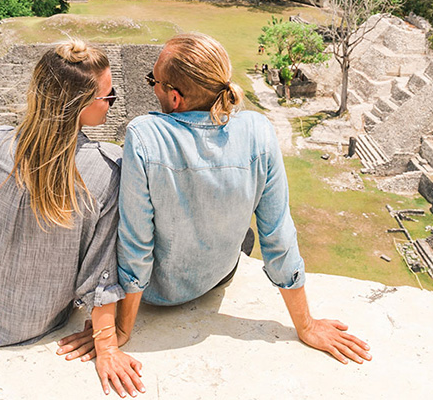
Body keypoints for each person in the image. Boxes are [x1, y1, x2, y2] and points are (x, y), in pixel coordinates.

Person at [59, 33, 371, 365]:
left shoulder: (145, 135)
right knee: (246, 234)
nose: (152, 88)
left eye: (155, 81)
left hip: (157, 292)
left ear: (175, 97)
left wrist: (121, 330)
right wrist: (306, 325)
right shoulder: (258, 130)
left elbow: (137, 243)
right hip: (217, 275)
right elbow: (277, 234)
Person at [0, 40, 145, 397]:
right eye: (108, 96)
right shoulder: (105, 170)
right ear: (80, 106)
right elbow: (101, 270)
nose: (111, 103)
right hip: (35, 319)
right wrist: (107, 347)